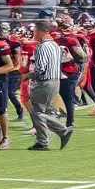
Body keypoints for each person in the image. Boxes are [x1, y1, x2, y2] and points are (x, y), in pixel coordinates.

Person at [23, 20, 73, 150]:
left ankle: (61, 131)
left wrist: (28, 75)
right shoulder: (55, 45)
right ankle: (43, 141)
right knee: (42, 111)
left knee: (37, 113)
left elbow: (40, 68)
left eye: (35, 31)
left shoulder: (42, 47)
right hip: (54, 81)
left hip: (44, 82)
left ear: (41, 31)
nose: (33, 33)